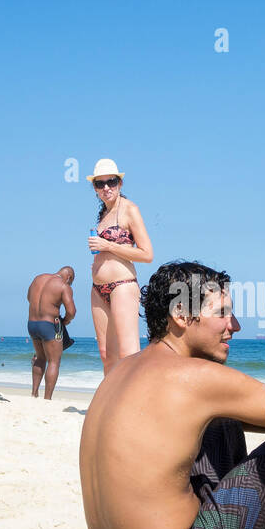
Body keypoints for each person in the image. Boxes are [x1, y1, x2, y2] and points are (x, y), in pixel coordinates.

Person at [79, 261, 265, 529]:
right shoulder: (197, 378)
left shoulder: (122, 370)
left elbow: (259, 414)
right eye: (223, 313)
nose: (235, 326)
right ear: (181, 314)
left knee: (222, 418)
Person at [87, 158, 154, 373]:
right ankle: (111, 405)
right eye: (100, 183)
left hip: (122, 286)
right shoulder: (104, 214)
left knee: (128, 355)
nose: (106, 187)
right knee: (107, 355)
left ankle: (134, 404)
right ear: (95, 188)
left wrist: (107, 245)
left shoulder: (130, 209)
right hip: (98, 290)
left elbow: (147, 254)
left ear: (120, 184)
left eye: (111, 182)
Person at [26, 266, 77, 400]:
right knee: (54, 361)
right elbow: (71, 311)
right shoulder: (63, 286)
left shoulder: (38, 278)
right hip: (49, 325)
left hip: (32, 324)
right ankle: (47, 399)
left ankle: (34, 393)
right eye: (71, 282)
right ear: (69, 277)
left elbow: (29, 298)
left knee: (39, 358)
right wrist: (65, 321)